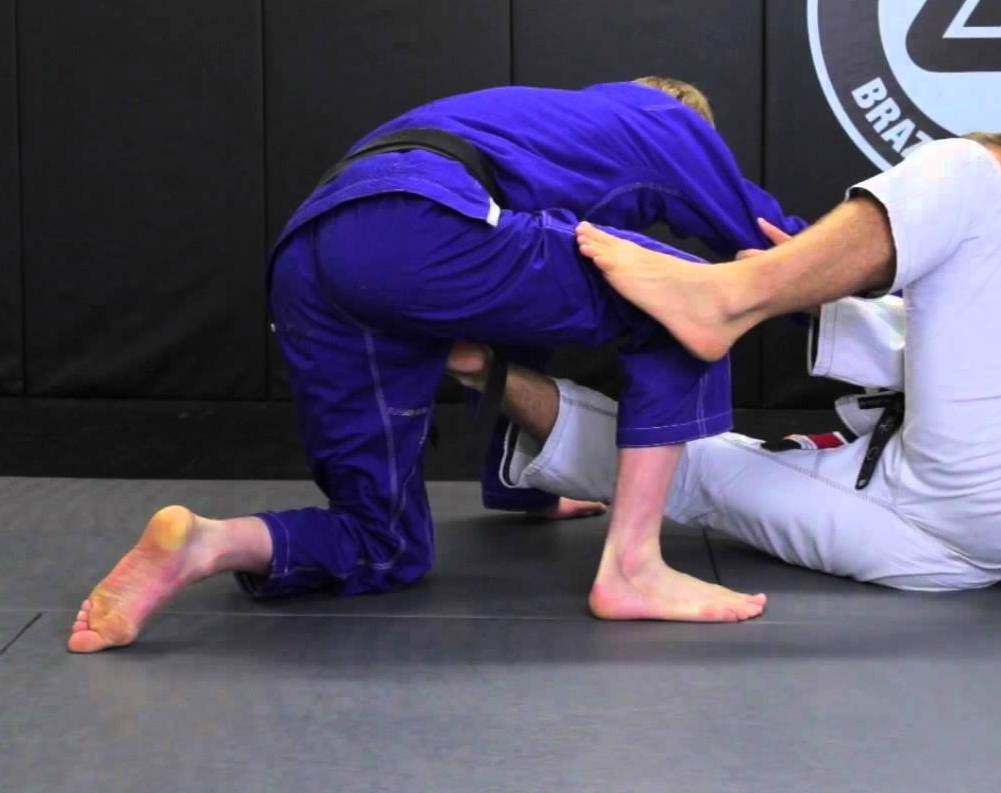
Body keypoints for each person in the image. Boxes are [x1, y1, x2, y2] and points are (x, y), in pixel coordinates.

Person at [67, 78, 810, 652]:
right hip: (422, 222)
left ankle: (209, 542)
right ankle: (633, 567)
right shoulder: (667, 119)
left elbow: (524, 313)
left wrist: (526, 496)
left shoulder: (529, 128)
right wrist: (900, 270)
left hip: (309, 256)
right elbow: (782, 245)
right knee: (689, 298)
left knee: (383, 543)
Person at [494, 134, 1001, 589]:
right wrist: (817, 282)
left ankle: (725, 298)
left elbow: (925, 358)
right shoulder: (930, 304)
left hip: (1000, 492)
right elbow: (927, 347)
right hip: (929, 551)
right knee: (678, 467)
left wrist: (804, 287)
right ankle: (478, 370)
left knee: (967, 168)